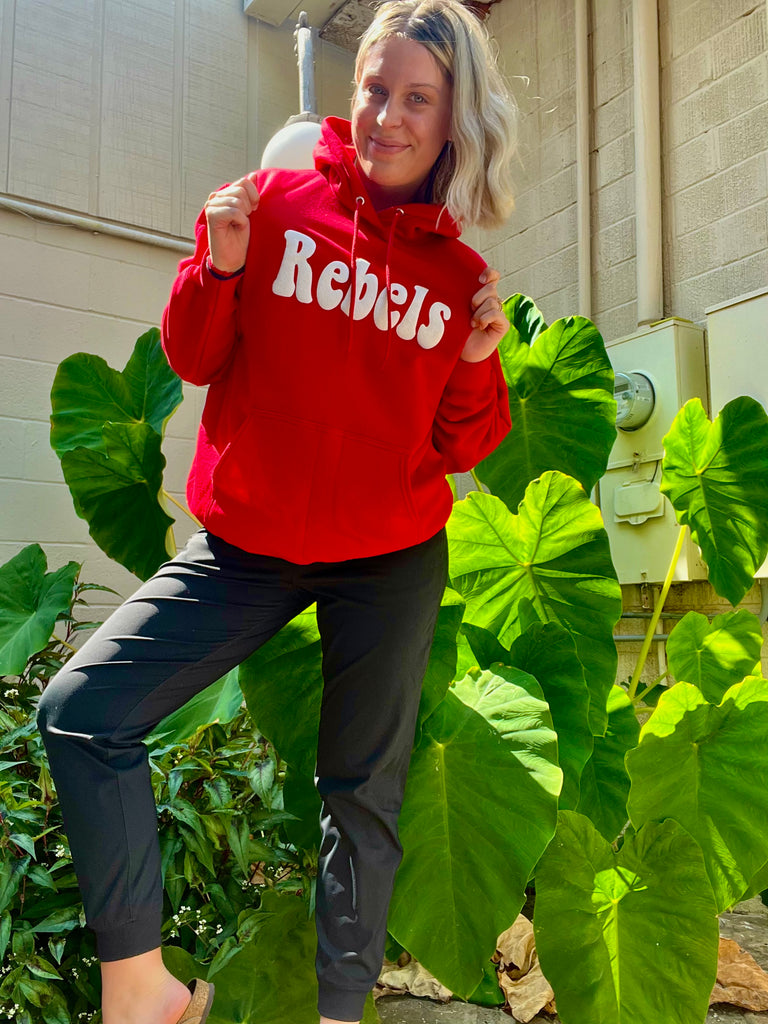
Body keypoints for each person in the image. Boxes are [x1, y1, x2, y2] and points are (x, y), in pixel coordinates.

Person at [37, 2, 517, 1022]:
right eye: (374, 88)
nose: (387, 114)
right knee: (81, 713)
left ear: (453, 118)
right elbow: (194, 357)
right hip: (248, 547)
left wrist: (478, 363)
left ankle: (341, 1015)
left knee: (363, 798)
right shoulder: (280, 204)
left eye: (416, 99)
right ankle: (140, 986)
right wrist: (216, 263)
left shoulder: (458, 276)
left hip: (388, 555)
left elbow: (460, 445)